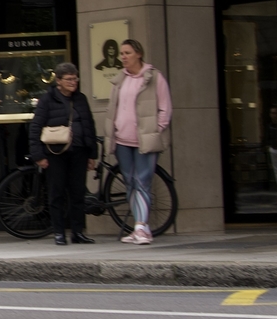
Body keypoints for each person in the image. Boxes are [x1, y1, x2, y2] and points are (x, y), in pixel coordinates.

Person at [111, 38, 172, 245]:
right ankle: (141, 226)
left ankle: (140, 229)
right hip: (122, 140)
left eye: (127, 53)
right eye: (122, 54)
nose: (123, 57)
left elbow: (165, 108)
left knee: (143, 181)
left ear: (138, 53)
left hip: (144, 140)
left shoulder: (154, 77)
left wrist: (155, 130)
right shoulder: (121, 79)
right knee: (129, 182)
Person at [31, 63, 98, 246]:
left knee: (77, 193)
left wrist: (92, 153)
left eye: (75, 78)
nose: (73, 82)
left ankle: (77, 232)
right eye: (68, 79)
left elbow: (89, 126)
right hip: (55, 153)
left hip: (79, 152)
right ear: (58, 81)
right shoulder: (47, 100)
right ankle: (59, 232)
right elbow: (36, 126)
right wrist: (38, 155)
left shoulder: (81, 99)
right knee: (57, 193)